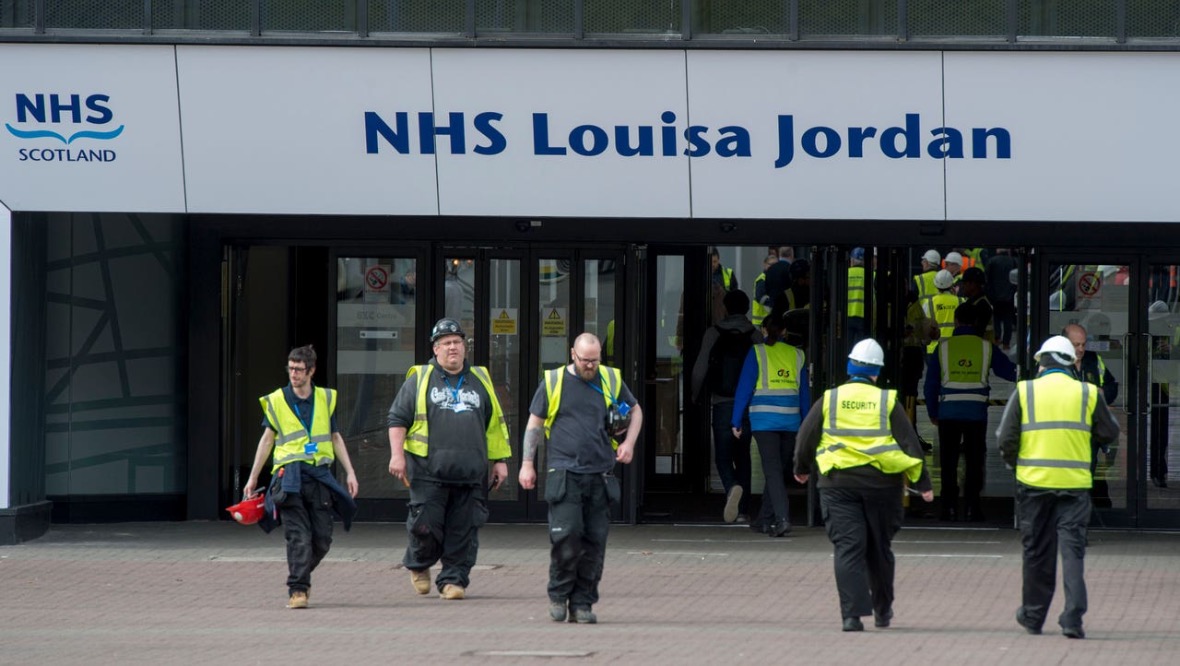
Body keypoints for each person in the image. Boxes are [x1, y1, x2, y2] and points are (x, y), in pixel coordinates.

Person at [794, 338, 934, 632]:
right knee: (879, 549)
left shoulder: (830, 399)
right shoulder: (887, 401)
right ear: (877, 372)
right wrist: (923, 484)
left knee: (848, 548)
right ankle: (883, 611)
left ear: (850, 366)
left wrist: (801, 468)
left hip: (838, 485)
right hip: (882, 487)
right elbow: (910, 443)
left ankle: (852, 616)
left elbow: (806, 436)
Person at [997, 336, 1120, 639]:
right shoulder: (1087, 393)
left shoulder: (1025, 391)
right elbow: (1110, 432)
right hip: (1075, 485)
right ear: (1070, 363)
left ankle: (1033, 615)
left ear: (1042, 362)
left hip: (1034, 483)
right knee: (1073, 551)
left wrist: (1016, 464)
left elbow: (1005, 438)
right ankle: (1073, 619)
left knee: (1036, 551)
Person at [519, 333, 642, 624]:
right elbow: (534, 425)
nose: (590, 366)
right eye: (585, 360)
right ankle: (559, 596)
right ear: (572, 354)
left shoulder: (610, 380)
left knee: (594, 542)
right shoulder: (554, 382)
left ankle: (583, 603)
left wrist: (629, 444)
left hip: (600, 474)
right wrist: (527, 463)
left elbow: (635, 410)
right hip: (565, 473)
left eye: (595, 360)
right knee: (567, 537)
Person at [387, 318, 511, 601]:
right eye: (447, 343)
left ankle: (453, 580)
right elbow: (397, 419)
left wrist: (500, 460)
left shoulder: (480, 378)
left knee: (463, 530)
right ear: (436, 348)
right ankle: (419, 564)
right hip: (428, 469)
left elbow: (495, 424)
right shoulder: (419, 378)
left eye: (457, 342)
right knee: (426, 526)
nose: (453, 347)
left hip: (471, 472)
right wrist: (397, 456)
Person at [243, 344, 359, 609]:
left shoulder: (326, 399)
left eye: (298, 369)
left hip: (319, 477)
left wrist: (350, 472)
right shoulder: (277, 400)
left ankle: (300, 575)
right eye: (290, 368)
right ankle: (298, 590)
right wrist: (253, 478)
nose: (293, 374)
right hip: (289, 479)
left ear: (311, 370)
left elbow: (335, 438)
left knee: (322, 539)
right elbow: (267, 440)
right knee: (298, 536)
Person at [924, 303, 1017, 521]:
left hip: (948, 413)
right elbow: (1008, 371)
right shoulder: (986, 347)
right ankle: (972, 508)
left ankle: (948, 508)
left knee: (948, 462)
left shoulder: (944, 347)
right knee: (975, 463)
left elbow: (931, 384)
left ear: (956, 321)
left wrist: (932, 411)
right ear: (976, 322)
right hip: (976, 414)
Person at [732, 308, 809, 537]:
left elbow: (744, 388)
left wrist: (736, 420)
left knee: (772, 471)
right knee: (776, 471)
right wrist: (805, 423)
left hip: (764, 420)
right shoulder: (798, 355)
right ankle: (764, 519)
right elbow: (804, 393)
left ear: (763, 330)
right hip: (791, 420)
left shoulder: (757, 352)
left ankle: (782, 519)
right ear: (785, 331)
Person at [691, 289, 762, 523]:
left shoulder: (713, 333)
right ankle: (743, 511)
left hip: (721, 402)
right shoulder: (755, 335)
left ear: (725, 308)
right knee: (743, 456)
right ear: (747, 308)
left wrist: (694, 395)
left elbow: (701, 366)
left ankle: (731, 487)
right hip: (748, 405)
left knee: (722, 455)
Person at [1062, 323, 1119, 507]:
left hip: (1090, 429)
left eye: (1083, 344)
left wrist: (1104, 392)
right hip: (1065, 431)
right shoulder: (1055, 364)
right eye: (1076, 345)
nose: (1081, 349)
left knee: (1089, 471)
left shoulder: (1093, 360)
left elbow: (1111, 385)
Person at [986, 249, 1018, 350]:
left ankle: (997, 338)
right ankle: (1006, 343)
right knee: (1008, 320)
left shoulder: (992, 261)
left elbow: (987, 278)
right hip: (1009, 296)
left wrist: (989, 293)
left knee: (996, 318)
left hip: (995, 296)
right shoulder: (1013, 261)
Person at [923, 269, 961, 353]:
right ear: (952, 284)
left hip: (935, 349)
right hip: (956, 347)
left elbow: (924, 327)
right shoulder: (960, 301)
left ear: (936, 285)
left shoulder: (929, 303)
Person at [958, 267, 995, 343]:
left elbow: (977, 332)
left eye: (965, 283)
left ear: (973, 284)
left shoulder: (982, 305)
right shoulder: (975, 302)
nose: (963, 287)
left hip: (982, 350)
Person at [847, 247, 867, 344]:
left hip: (847, 316)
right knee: (861, 348)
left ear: (852, 260)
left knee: (848, 348)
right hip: (864, 316)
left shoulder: (845, 274)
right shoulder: (871, 274)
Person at [751, 253, 776, 328]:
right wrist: (774, 302)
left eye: (775, 264)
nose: (773, 267)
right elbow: (760, 298)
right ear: (765, 264)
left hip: (771, 319)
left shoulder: (775, 278)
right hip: (762, 320)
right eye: (770, 264)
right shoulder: (762, 279)